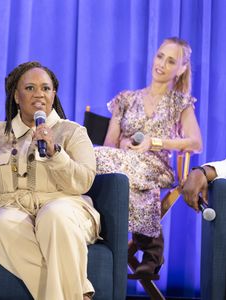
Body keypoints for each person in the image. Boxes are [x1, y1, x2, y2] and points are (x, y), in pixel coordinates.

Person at [0, 61, 100, 300]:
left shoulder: (73, 132)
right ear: (16, 96)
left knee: (54, 216)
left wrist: (55, 153)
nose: (39, 94)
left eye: (46, 88)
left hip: (64, 205)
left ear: (53, 94)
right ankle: (77, 294)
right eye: (30, 88)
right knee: (0, 224)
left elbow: (84, 181)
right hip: (10, 207)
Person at [95, 37, 203, 276]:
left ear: (182, 68)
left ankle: (147, 246)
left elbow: (196, 143)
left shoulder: (179, 102)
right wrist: (124, 143)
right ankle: (151, 251)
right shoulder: (125, 99)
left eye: (171, 60)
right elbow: (108, 146)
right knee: (97, 157)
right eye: (160, 56)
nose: (162, 64)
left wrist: (154, 143)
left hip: (157, 167)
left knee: (133, 170)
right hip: (125, 162)